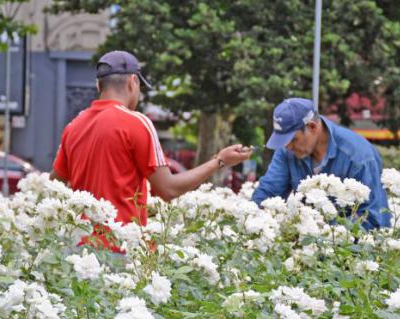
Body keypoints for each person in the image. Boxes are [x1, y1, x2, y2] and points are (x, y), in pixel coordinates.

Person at [50, 50, 251, 234]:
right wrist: (219, 161)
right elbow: (168, 189)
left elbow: (54, 186)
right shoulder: (137, 123)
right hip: (120, 249)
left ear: (98, 85)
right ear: (132, 82)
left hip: (77, 251)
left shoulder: (73, 126)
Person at [251, 98, 391, 230]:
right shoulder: (287, 151)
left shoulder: (359, 156)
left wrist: (322, 232)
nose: (288, 146)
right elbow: (268, 193)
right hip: (307, 246)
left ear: (312, 126)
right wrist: (250, 220)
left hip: (354, 250)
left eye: (293, 139)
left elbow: (373, 220)